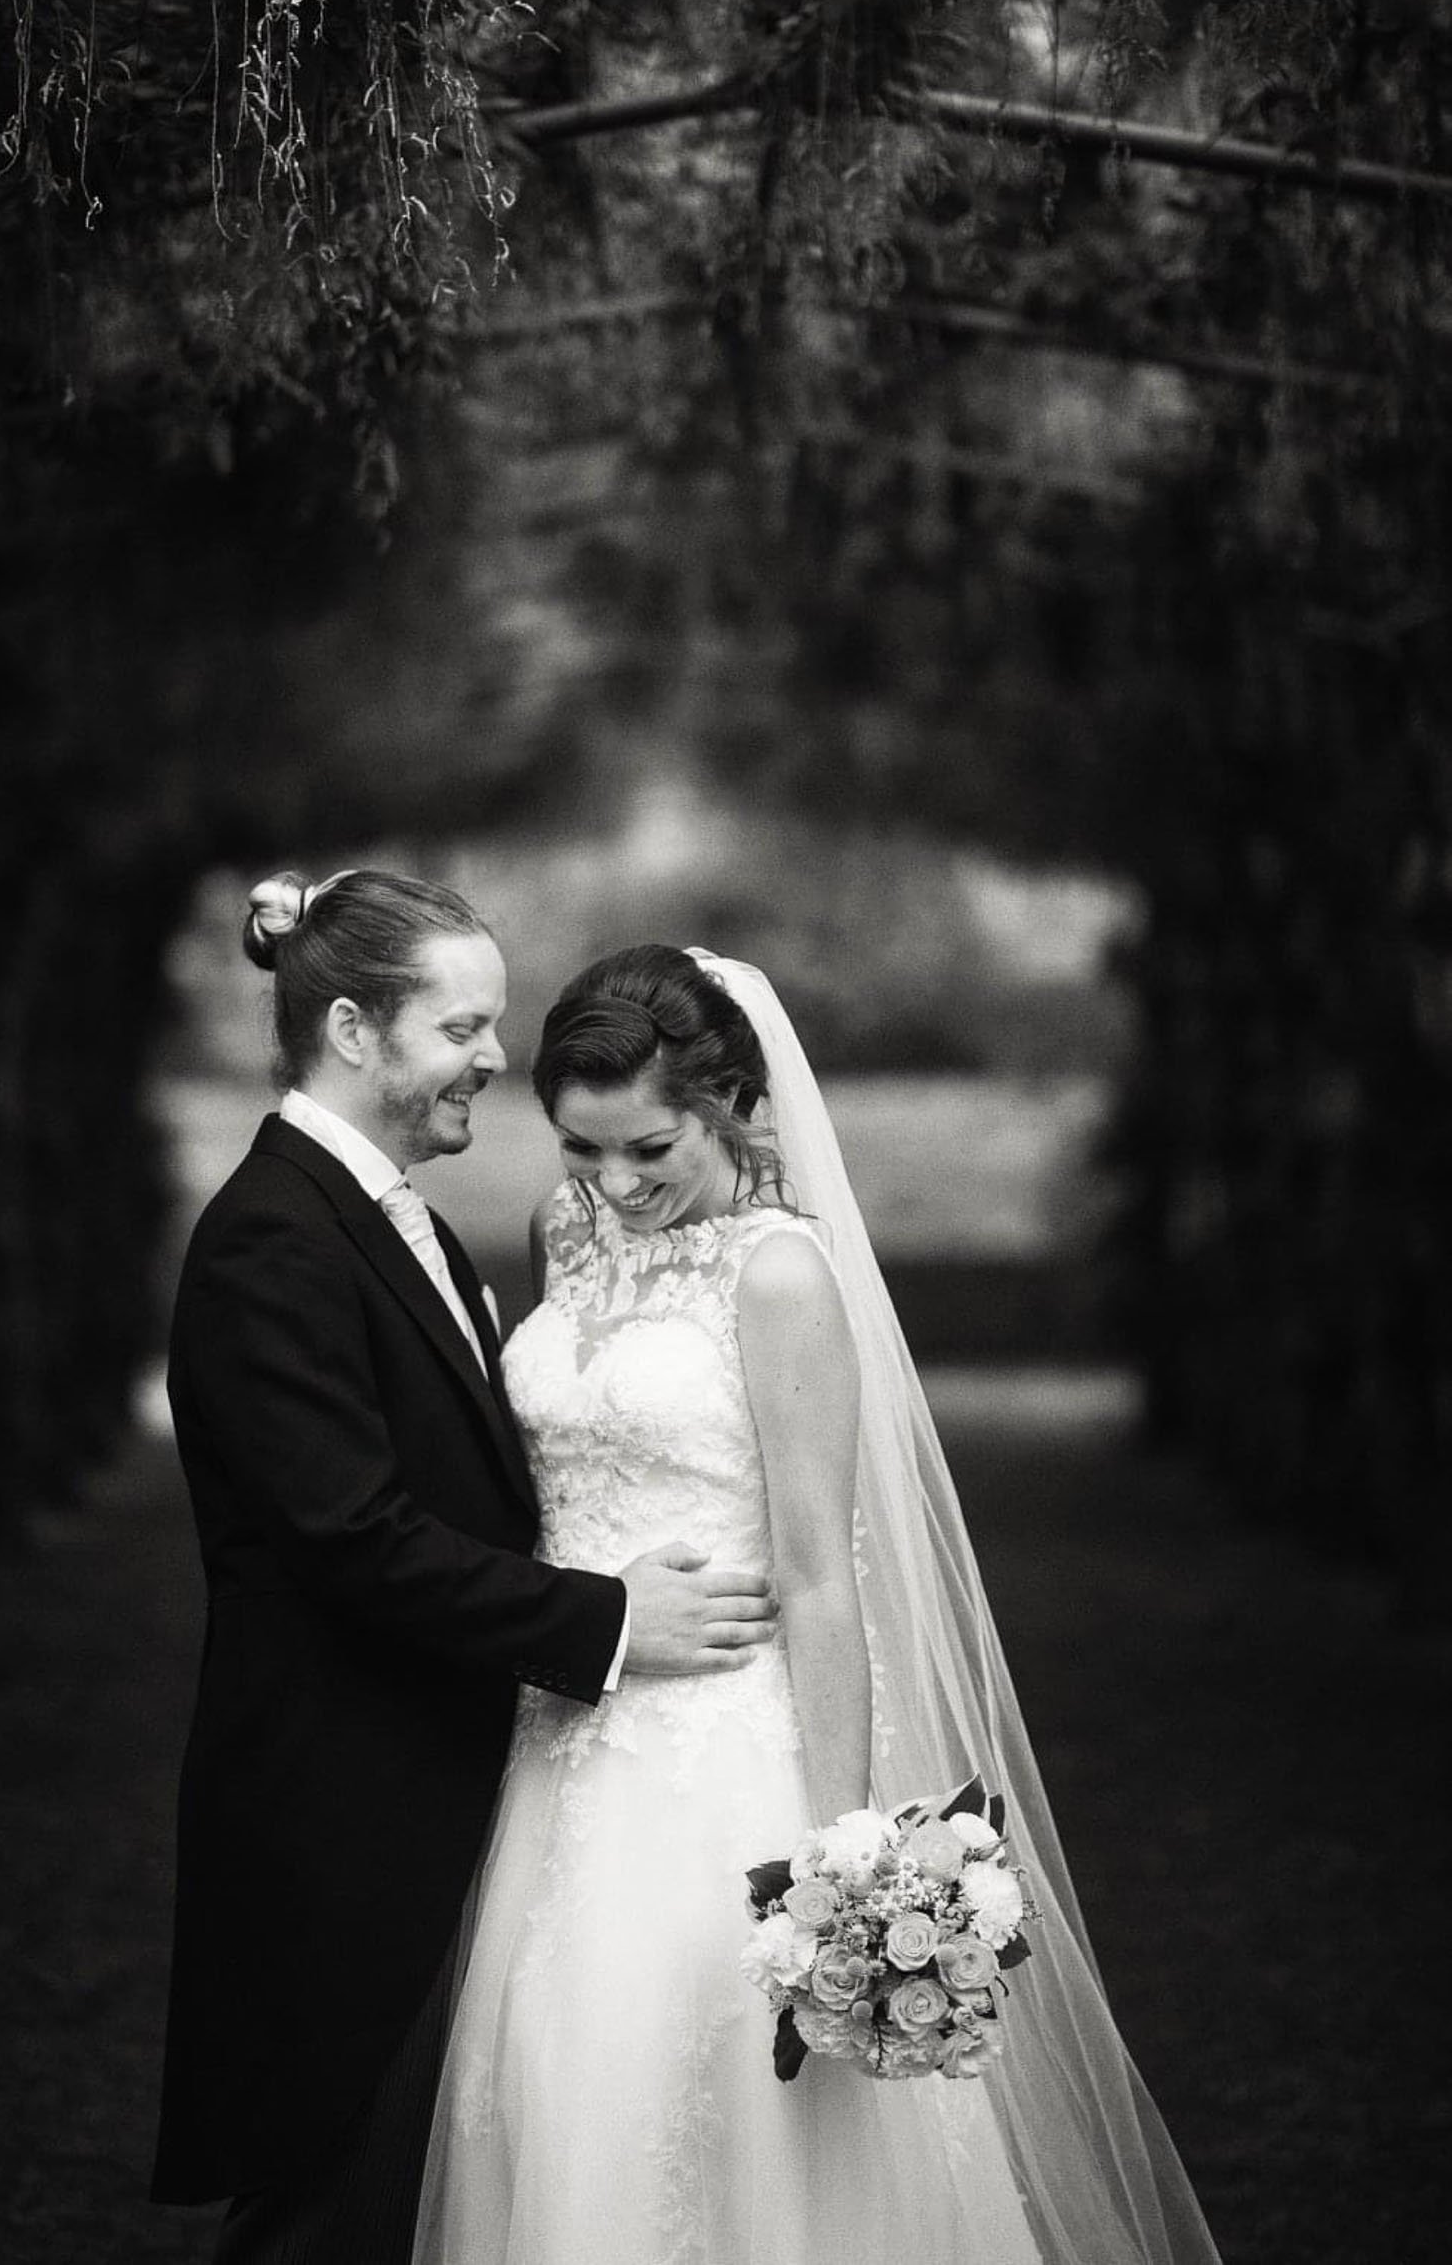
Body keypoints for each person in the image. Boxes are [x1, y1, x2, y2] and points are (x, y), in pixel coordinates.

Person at [413, 944, 1222, 2265]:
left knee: (722, 2116)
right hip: (562, 1741)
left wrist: (838, 1864)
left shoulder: (781, 1278)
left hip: (722, 1753)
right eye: (581, 1151)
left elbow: (819, 1574)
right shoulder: (566, 1233)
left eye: (652, 1148)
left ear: (732, 1105)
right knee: (558, 2081)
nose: (617, 1189)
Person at [150, 876, 778, 2264]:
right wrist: (609, 1619)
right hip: (337, 1812)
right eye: (464, 1024)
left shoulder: (404, 1221)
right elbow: (351, 1535)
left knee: (416, 2191)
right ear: (357, 1033)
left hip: (476, 1787)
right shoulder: (273, 1239)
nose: (496, 1056)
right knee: (323, 2200)